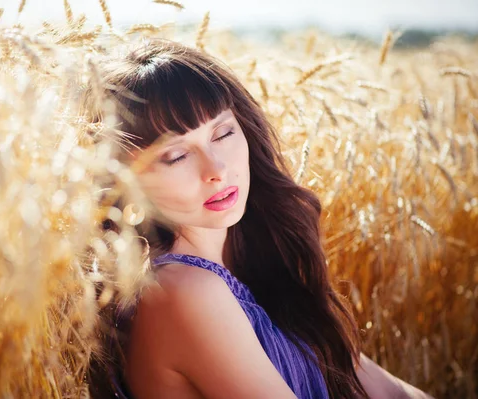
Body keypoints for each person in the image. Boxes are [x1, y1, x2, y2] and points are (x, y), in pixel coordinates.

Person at [80, 38, 433, 399]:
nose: (216, 169)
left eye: (223, 133)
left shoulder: (251, 265)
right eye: (175, 156)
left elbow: (390, 391)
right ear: (123, 179)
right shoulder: (181, 291)